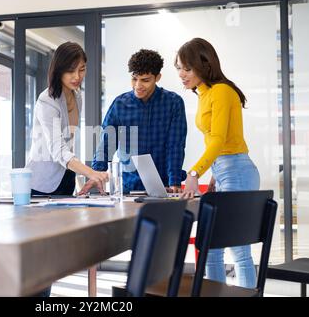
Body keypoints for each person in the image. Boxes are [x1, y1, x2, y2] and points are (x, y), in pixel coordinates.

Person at [176, 37, 260, 288]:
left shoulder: (221, 92)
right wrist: (213, 175)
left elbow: (219, 140)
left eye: (187, 68)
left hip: (237, 170)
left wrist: (195, 173)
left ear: (204, 65)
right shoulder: (206, 94)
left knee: (239, 250)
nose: (181, 74)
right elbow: (219, 143)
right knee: (211, 248)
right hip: (226, 170)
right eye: (178, 68)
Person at [25, 41, 108, 296]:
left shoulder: (77, 96)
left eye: (82, 69)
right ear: (58, 69)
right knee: (39, 258)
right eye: (71, 70)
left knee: (53, 256)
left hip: (64, 179)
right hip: (40, 184)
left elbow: (68, 143)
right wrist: (91, 171)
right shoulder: (46, 102)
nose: (77, 76)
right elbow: (58, 150)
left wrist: (80, 174)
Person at [79, 49, 187, 195]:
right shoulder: (120, 104)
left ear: (158, 77)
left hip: (165, 186)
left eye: (145, 80)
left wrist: (174, 181)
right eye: (134, 78)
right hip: (129, 187)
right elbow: (106, 143)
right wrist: (96, 174)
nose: (138, 85)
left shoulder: (173, 103)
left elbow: (175, 145)